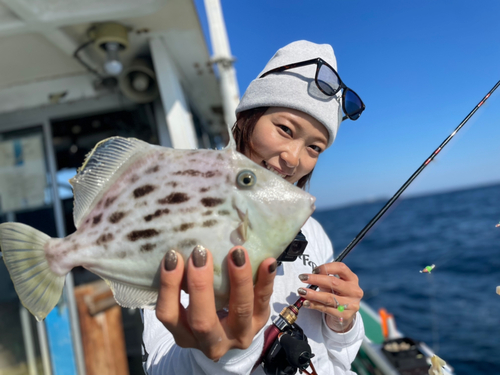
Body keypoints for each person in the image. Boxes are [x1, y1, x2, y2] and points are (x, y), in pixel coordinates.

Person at [142, 40, 366, 374]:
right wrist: (220, 352)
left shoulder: (313, 232)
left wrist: (343, 324)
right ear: (249, 118)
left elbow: (339, 360)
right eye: (285, 129)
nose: (293, 159)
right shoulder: (180, 221)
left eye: (314, 147)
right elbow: (160, 365)